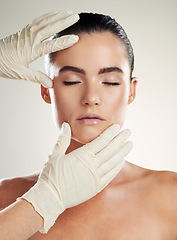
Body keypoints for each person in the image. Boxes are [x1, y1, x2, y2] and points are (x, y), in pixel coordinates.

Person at [0, 10, 177, 240]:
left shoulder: (171, 196)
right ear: (46, 90)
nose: (91, 97)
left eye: (110, 82)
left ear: (131, 91)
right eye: (72, 81)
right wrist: (44, 200)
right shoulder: (7, 197)